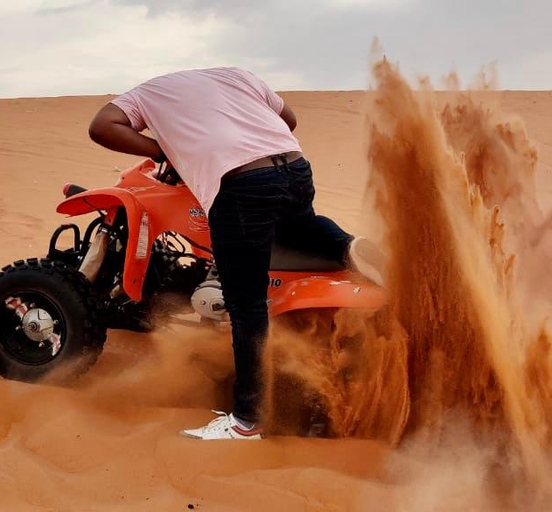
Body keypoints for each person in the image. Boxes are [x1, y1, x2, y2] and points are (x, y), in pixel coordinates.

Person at [88, 67, 384, 440]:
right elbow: (288, 118)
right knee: (299, 227)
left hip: (242, 183)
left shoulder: (146, 93)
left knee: (246, 304)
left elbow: (102, 126)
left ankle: (247, 421)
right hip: (293, 169)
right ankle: (346, 247)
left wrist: (161, 150)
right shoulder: (236, 76)